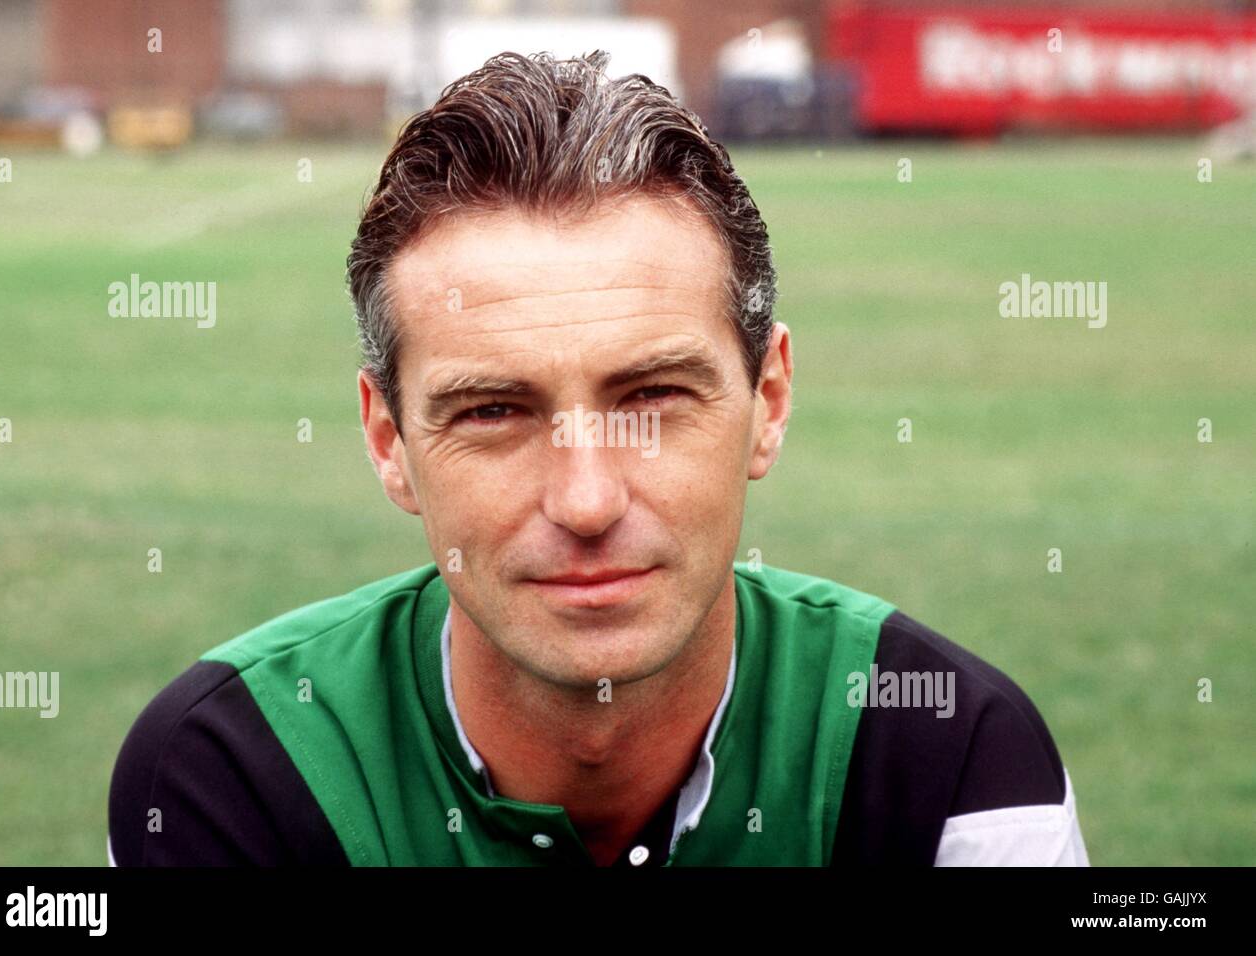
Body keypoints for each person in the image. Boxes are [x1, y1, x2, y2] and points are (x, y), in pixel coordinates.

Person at [108, 51, 1089, 867]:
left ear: (769, 401)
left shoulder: (944, 755)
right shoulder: (231, 772)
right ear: (388, 441)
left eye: (653, 397)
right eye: (493, 410)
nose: (584, 498)